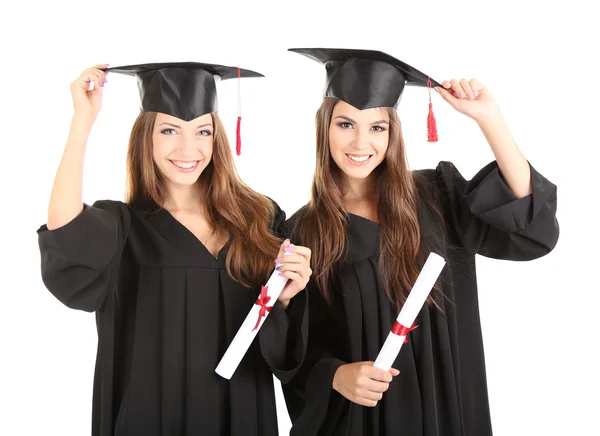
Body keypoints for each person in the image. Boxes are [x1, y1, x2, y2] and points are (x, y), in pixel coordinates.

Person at [282, 48, 559, 436]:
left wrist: (489, 119)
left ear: (393, 133)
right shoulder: (302, 232)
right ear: (324, 127)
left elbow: (531, 228)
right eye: (345, 124)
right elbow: (293, 345)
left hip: (450, 405)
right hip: (369, 419)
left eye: (377, 127)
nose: (361, 142)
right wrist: (336, 375)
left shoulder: (435, 195)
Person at [36, 62, 311, 436]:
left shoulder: (259, 219)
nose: (188, 148)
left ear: (217, 139)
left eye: (202, 131)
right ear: (146, 136)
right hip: (152, 414)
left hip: (241, 408)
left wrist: (287, 296)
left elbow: (284, 346)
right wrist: (82, 121)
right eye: (169, 130)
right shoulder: (122, 226)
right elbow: (65, 228)